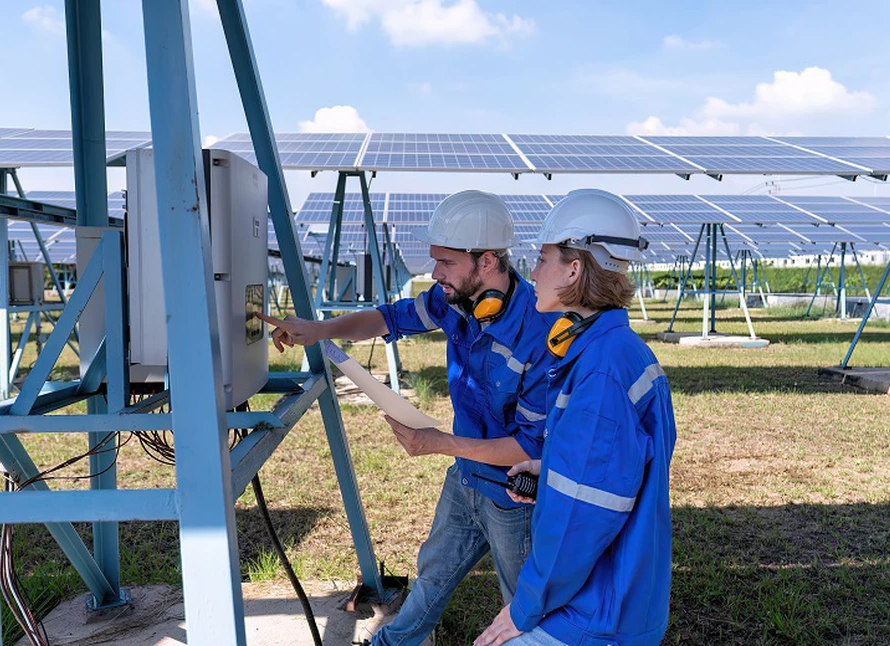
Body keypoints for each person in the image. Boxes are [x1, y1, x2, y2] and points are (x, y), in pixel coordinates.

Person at [257, 190, 559, 646]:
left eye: (447, 262)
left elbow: (531, 446)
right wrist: (320, 329)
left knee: (524, 608)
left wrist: (438, 443)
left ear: (490, 261)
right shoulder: (451, 300)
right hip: (467, 477)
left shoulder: (539, 334)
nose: (435, 273)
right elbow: (388, 319)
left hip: (515, 498)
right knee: (434, 571)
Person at [475, 189, 677, 646]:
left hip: (596, 615)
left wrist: (523, 608)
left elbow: (579, 519)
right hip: (624, 598)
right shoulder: (620, 352)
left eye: (543, 259)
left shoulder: (601, 370)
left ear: (574, 267)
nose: (531, 273)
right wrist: (552, 471)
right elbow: (626, 465)